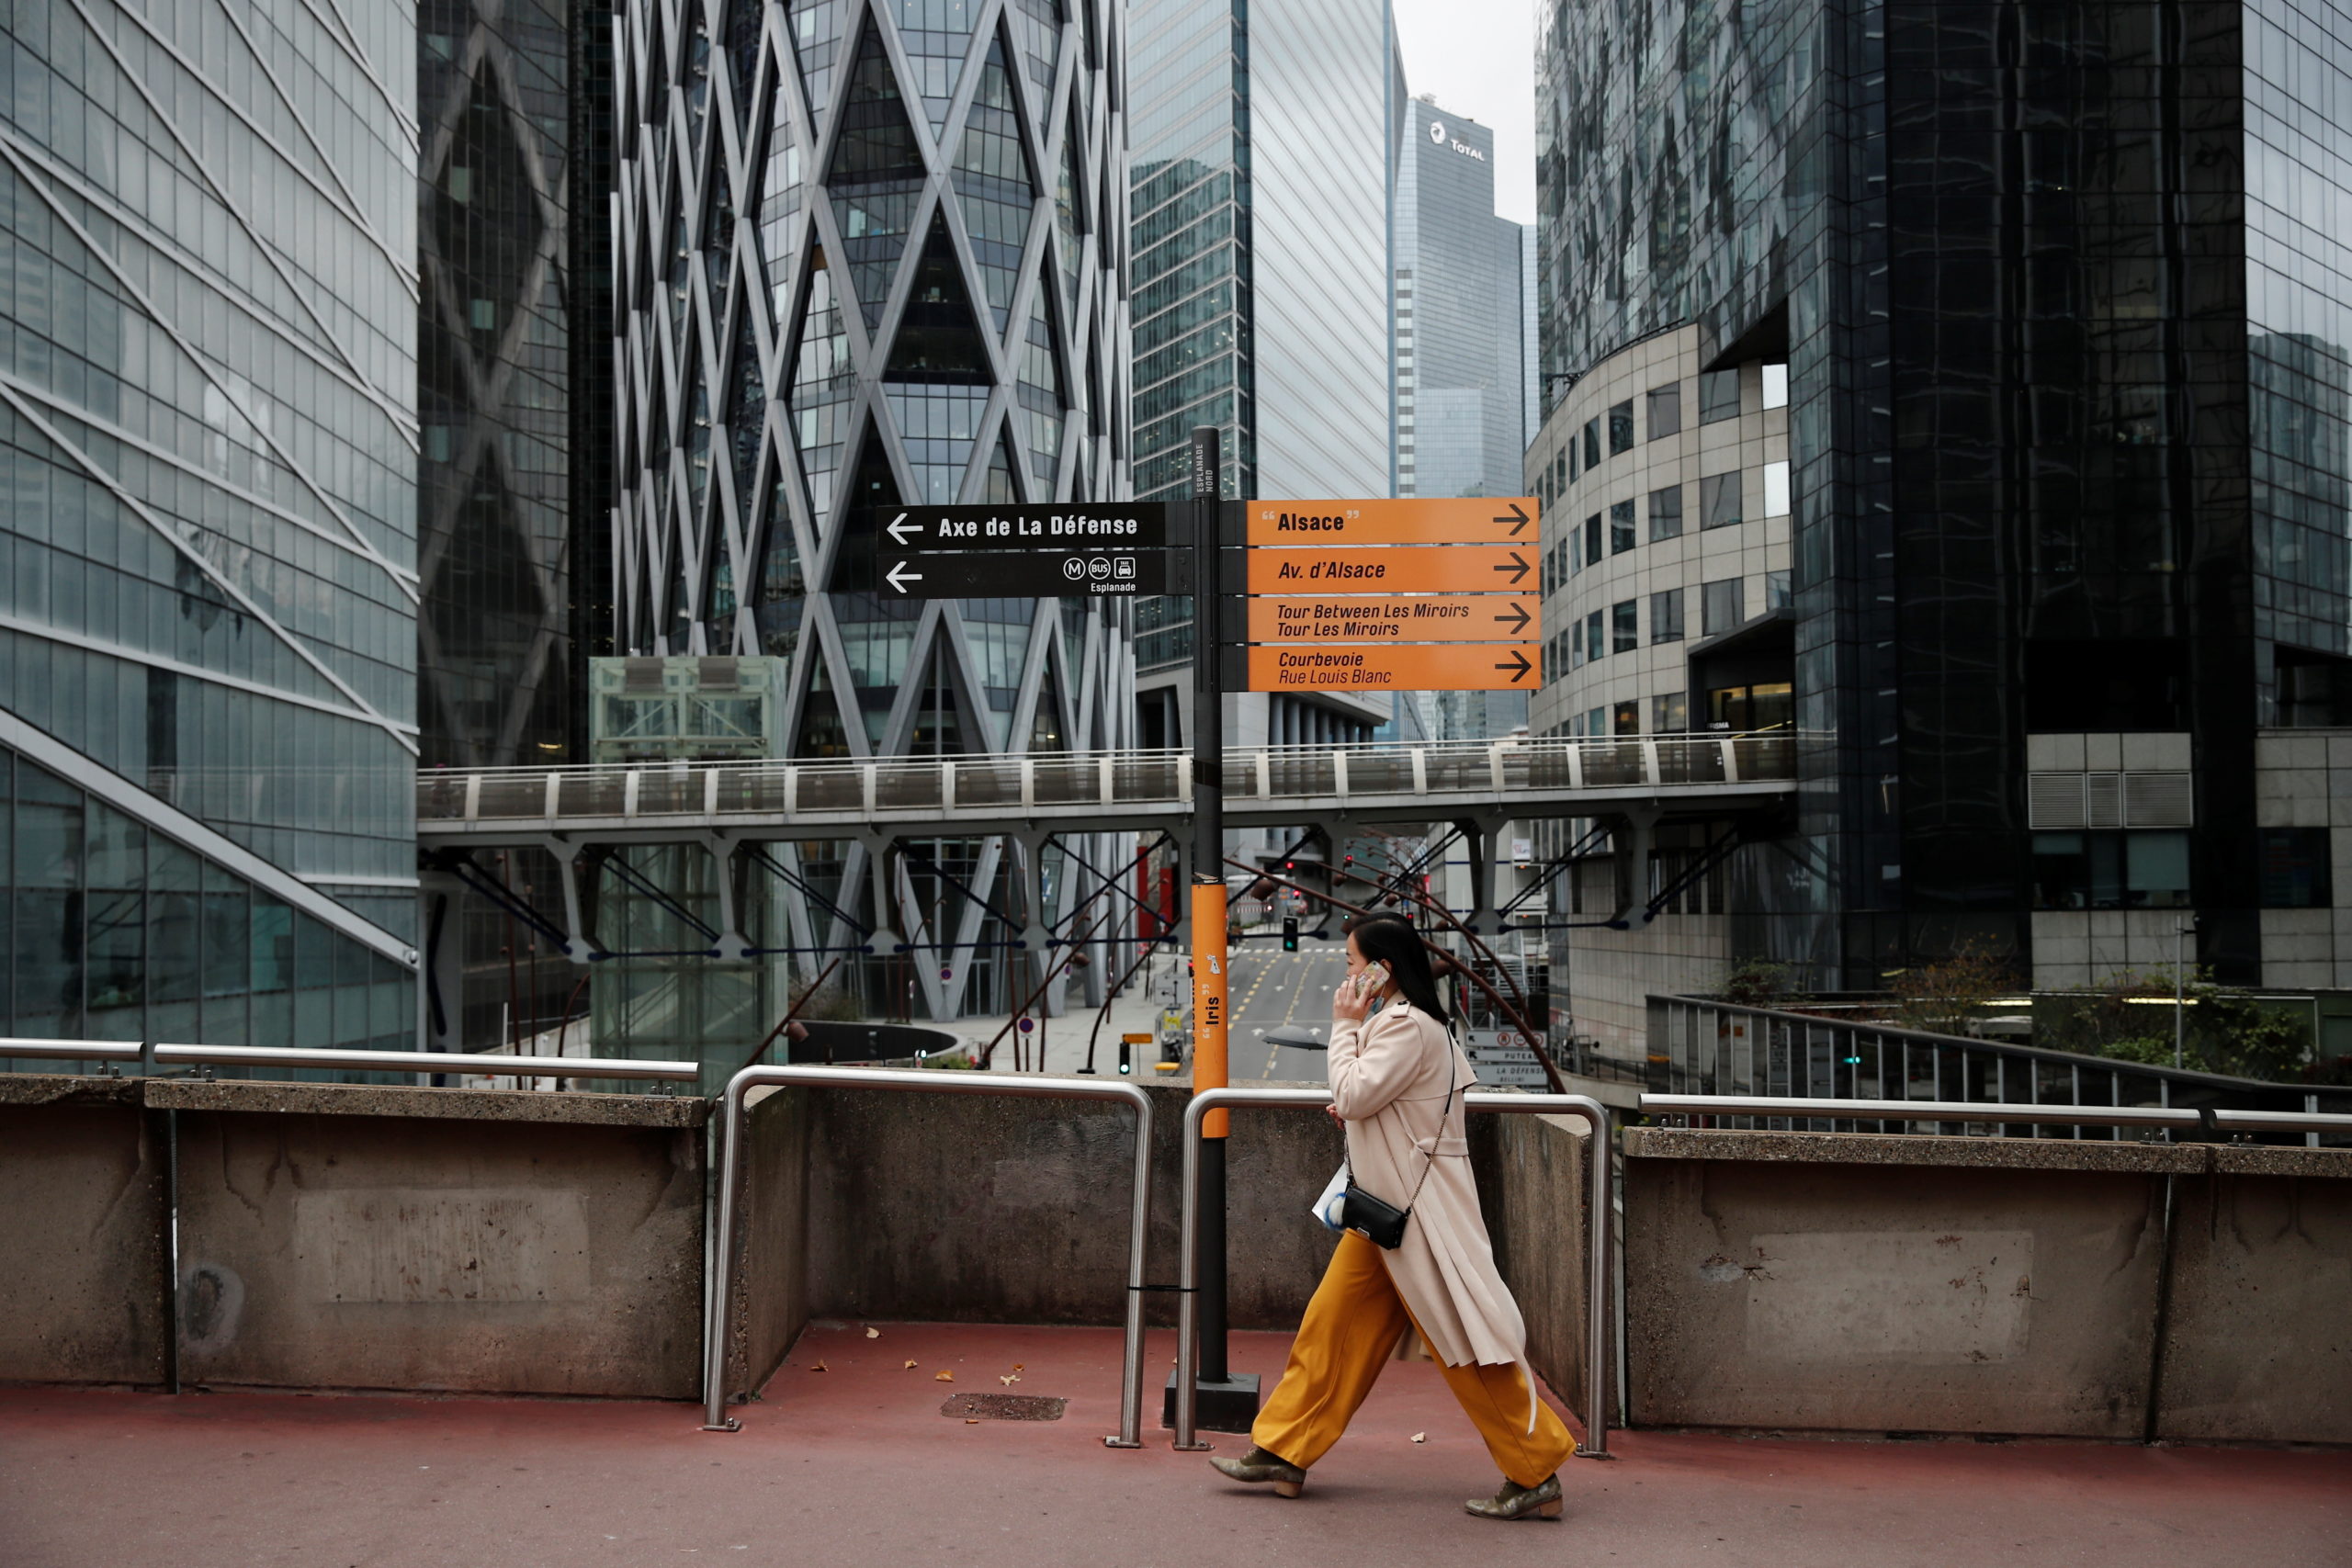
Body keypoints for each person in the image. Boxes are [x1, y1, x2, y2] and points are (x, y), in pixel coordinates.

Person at [1208, 914, 1575, 1521]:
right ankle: (1283, 1447)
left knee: (1462, 1346)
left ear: (1384, 967)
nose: (1349, 976)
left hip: (1414, 1217)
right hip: (1390, 1212)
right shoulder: (1415, 1024)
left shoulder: (1403, 1026)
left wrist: (1344, 1027)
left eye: (1354, 963)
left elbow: (1354, 1093)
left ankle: (1535, 1468)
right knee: (1331, 1326)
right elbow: (1380, 1106)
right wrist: (1358, 1100)